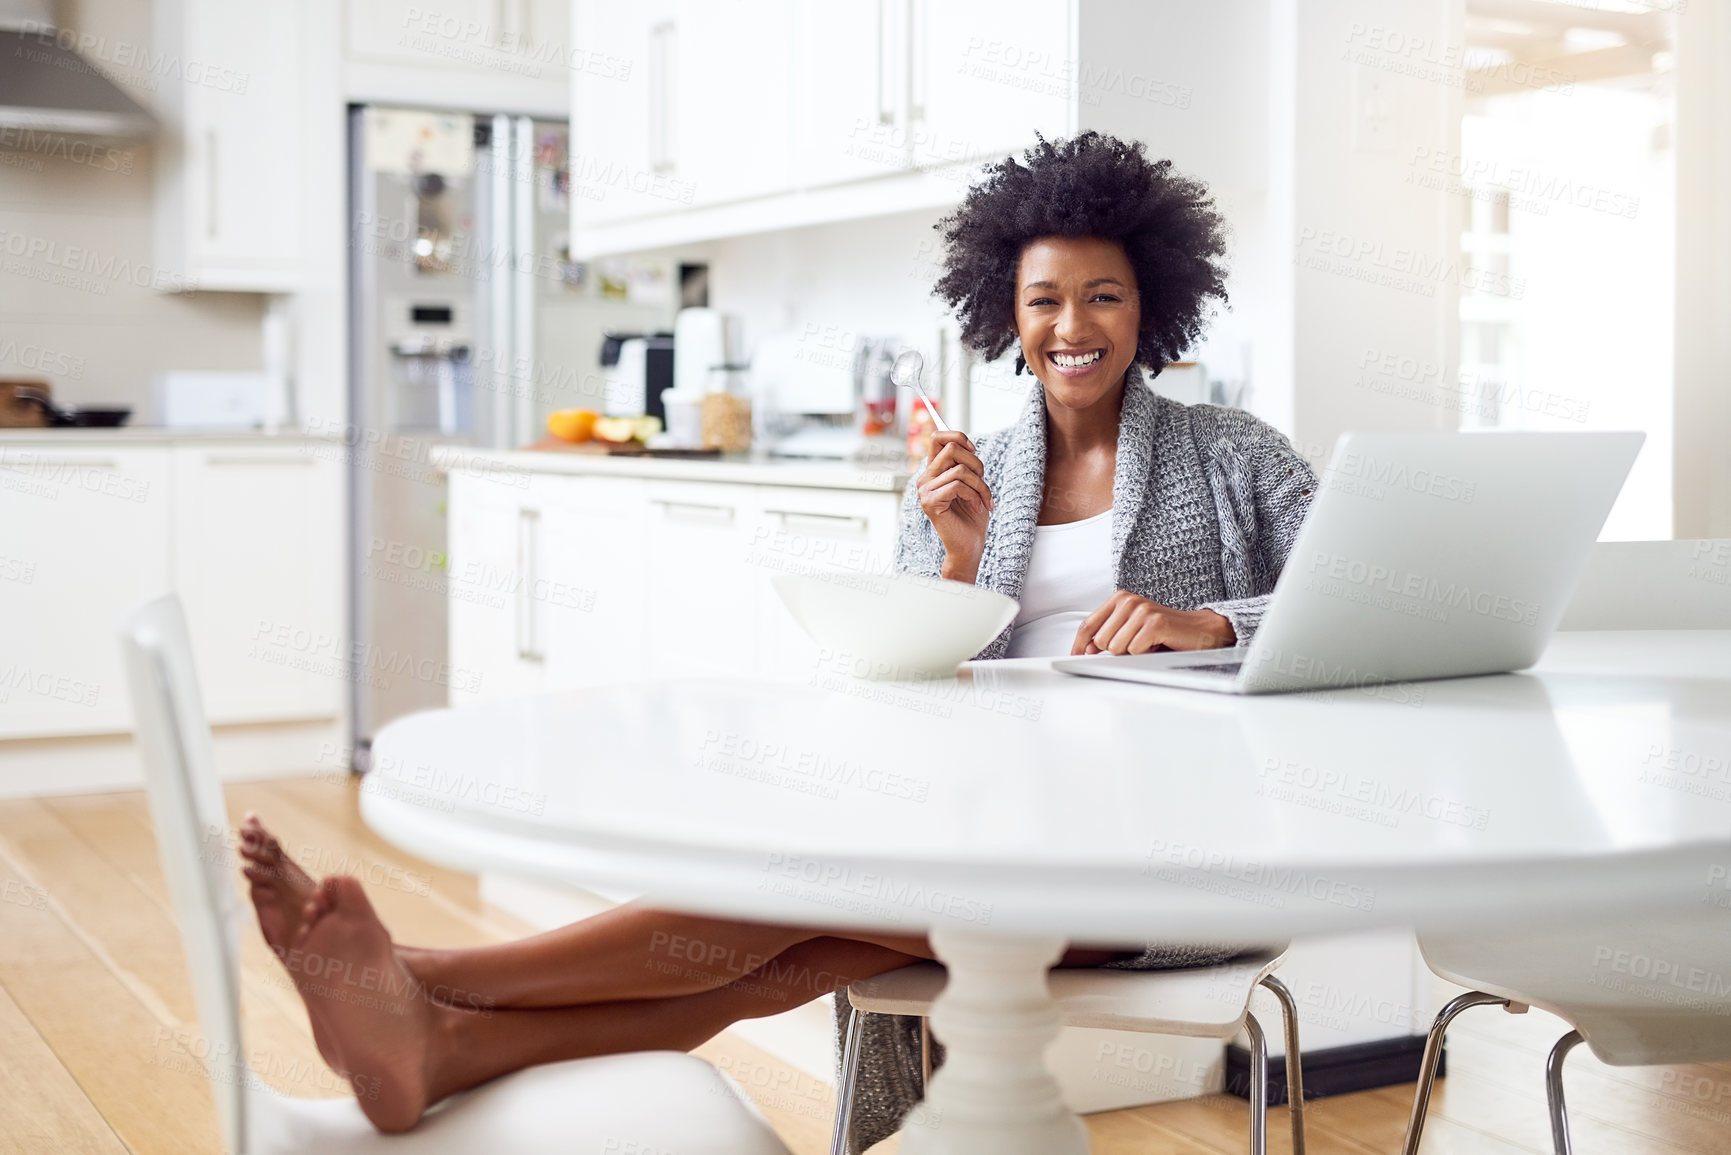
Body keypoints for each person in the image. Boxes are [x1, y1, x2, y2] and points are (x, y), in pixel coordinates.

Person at [238, 131, 1315, 1146]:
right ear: (1005, 312)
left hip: (1154, 857)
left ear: (1151, 306)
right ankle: (439, 1044)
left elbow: (1357, 624)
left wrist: (1212, 620)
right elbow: (898, 690)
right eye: (1045, 299)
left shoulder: (1239, 459)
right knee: (784, 959)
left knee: (792, 898)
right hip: (987, 824)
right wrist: (950, 564)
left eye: (1103, 296)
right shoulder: (966, 474)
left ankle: (434, 980)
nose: (1071, 325)